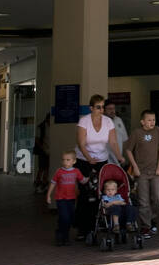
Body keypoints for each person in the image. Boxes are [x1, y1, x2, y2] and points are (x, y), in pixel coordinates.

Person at [74, 96, 120, 238]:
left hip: (101, 160)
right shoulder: (84, 121)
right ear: (91, 108)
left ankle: (99, 223)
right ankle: (82, 228)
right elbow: (81, 143)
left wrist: (119, 156)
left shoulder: (108, 122)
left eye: (103, 107)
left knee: (101, 192)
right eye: (98, 107)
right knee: (85, 193)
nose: (101, 110)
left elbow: (113, 142)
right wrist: (89, 158)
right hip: (84, 160)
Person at [125, 109, 159, 235]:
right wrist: (135, 167)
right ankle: (146, 225)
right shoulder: (136, 133)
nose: (152, 122)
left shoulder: (157, 131)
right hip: (141, 172)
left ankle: (152, 218)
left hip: (155, 171)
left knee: (158, 198)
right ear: (142, 121)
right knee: (143, 201)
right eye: (149, 120)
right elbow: (128, 150)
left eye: (153, 119)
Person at [46, 150, 86, 245]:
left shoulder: (76, 171)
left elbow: (83, 180)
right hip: (61, 199)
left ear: (74, 161)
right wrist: (48, 195)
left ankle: (65, 237)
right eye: (63, 160)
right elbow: (53, 183)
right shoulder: (59, 172)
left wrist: (91, 177)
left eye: (68, 160)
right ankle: (60, 236)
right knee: (64, 217)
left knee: (70, 218)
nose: (65, 162)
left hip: (71, 199)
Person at [104, 100, 129, 165]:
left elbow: (124, 140)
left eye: (113, 108)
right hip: (105, 160)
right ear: (104, 110)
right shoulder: (102, 122)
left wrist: (125, 156)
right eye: (109, 109)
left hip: (118, 160)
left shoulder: (119, 120)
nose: (112, 111)